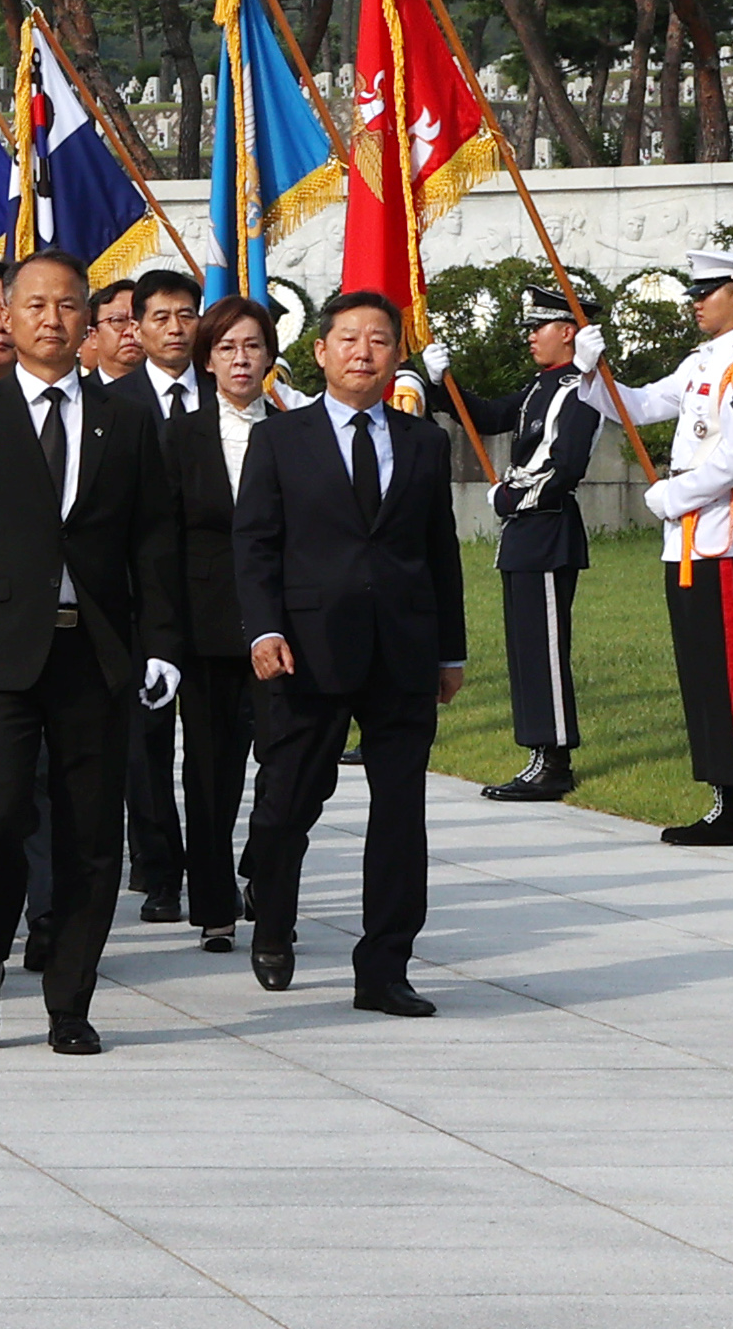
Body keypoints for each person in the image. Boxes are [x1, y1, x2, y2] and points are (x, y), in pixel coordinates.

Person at [0, 249, 183, 1054]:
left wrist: (160, 644)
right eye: (35, 306)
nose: (51, 320)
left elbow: (152, 542)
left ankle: (71, 999)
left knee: (91, 833)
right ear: (8, 317)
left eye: (69, 306)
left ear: (94, 321)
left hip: (94, 654)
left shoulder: (128, 420)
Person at [233, 289, 466, 1015]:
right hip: (306, 650)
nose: (362, 352)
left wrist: (449, 650)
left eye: (377, 340)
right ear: (321, 351)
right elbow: (254, 544)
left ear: (396, 353)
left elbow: (439, 550)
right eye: (348, 339)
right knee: (285, 805)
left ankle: (384, 966)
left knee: (399, 814)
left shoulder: (424, 439)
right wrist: (263, 630)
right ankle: (271, 918)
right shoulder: (279, 438)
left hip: (402, 650)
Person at [586, 247, 733, 846]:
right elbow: (639, 407)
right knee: (699, 673)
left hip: (723, 537)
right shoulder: (701, 361)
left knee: (723, 672)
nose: (696, 300)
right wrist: (593, 373)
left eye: (708, 289)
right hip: (690, 540)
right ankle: (721, 796)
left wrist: (676, 494)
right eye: (696, 290)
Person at [427, 287, 600, 802]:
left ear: (568, 332)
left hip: (547, 528)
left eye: (540, 326)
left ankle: (554, 759)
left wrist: (511, 499)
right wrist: (443, 386)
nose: (530, 335)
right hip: (525, 536)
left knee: (544, 650)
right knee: (525, 650)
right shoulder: (539, 385)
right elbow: (489, 417)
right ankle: (537, 752)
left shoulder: (581, 388)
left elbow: (566, 466)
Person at [163, 295, 278, 950]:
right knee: (208, 774)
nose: (241, 360)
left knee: (286, 765)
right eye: (228, 348)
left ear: (269, 356)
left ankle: (263, 865)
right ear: (206, 360)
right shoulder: (178, 435)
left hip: (276, 629)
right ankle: (211, 902)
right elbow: (161, 538)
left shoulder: (292, 430)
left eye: (252, 347)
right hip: (202, 629)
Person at [111, 267, 206, 923]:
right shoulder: (110, 408)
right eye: (160, 318)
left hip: (215, 604)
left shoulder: (234, 397)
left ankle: (215, 872)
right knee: (143, 751)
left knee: (213, 750)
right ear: (136, 328)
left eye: (185, 315)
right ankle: (159, 869)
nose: (174, 329)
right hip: (137, 606)